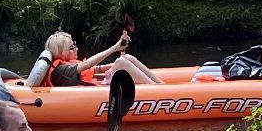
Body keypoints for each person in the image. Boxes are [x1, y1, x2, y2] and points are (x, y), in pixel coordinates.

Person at [26, 29, 161, 88]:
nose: (76, 48)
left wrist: (110, 66)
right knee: (121, 61)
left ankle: (160, 86)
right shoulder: (61, 71)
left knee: (127, 58)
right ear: (61, 53)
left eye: (75, 44)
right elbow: (86, 65)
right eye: (72, 47)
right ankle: (159, 93)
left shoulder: (67, 66)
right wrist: (114, 48)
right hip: (94, 91)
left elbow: (90, 69)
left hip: (95, 86)